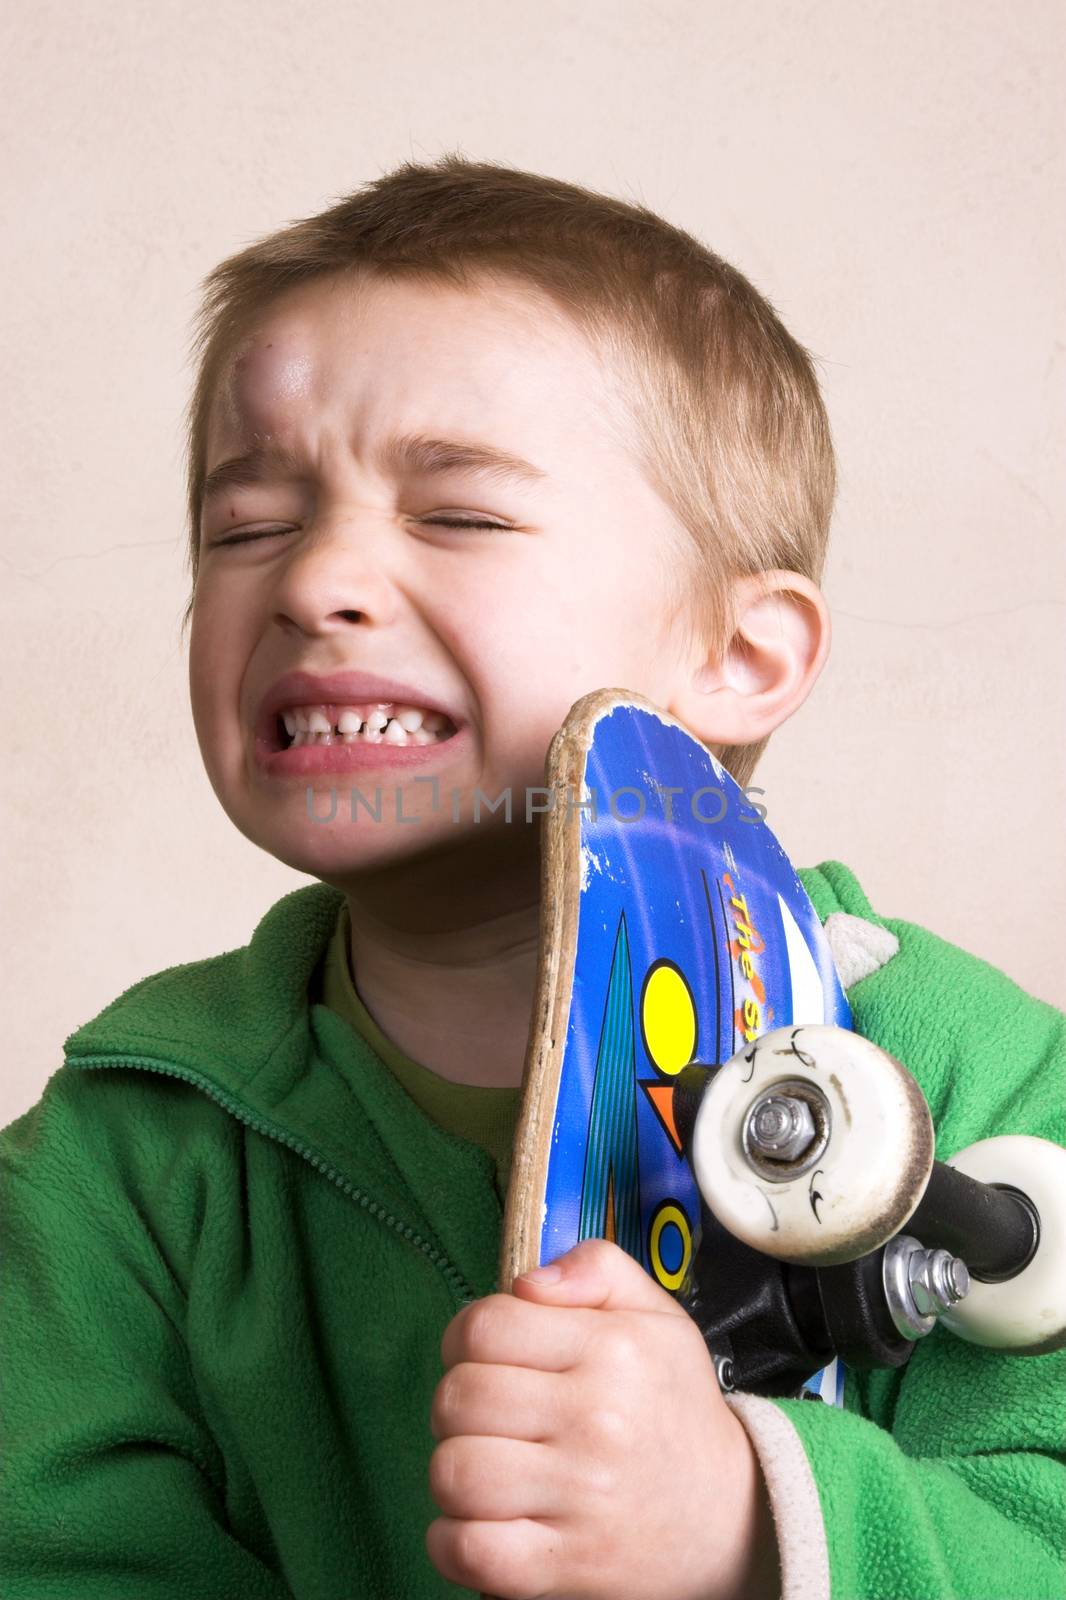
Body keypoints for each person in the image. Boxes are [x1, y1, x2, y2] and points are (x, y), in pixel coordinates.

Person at [2, 154, 1062, 1600]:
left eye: (457, 515)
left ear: (741, 658)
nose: (311, 583)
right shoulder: (116, 1161)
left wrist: (746, 1525)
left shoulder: (978, 1074)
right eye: (246, 526)